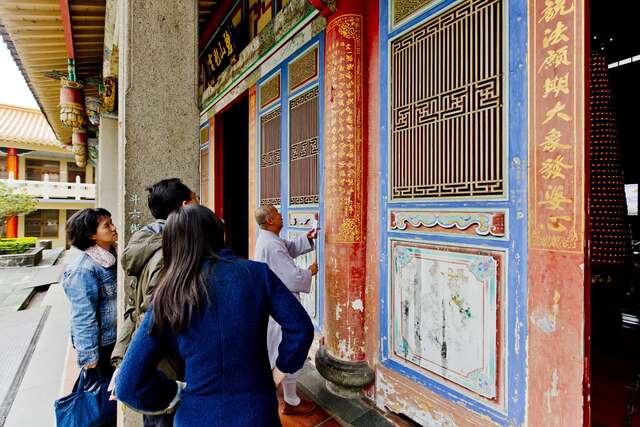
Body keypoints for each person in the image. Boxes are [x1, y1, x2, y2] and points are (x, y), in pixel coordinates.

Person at [115, 205, 314, 426]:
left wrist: (174, 391)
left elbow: (128, 385)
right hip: (257, 411)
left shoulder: (168, 293)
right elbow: (301, 328)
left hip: (195, 415)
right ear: (220, 234)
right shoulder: (257, 274)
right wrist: (281, 369)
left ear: (172, 244)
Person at [110, 178, 197, 427]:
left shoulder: (144, 242)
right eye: (196, 200)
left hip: (154, 363)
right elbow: (151, 316)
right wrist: (130, 365)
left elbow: (132, 306)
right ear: (184, 207)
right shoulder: (169, 254)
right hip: (167, 366)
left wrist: (124, 357)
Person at [253, 204, 318, 415]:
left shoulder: (269, 238)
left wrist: (307, 239)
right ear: (271, 220)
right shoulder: (270, 244)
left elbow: (287, 248)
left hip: (272, 305)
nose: (282, 215)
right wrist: (309, 272)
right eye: (278, 213)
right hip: (280, 307)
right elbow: (290, 277)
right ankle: (291, 401)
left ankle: (286, 396)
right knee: (288, 348)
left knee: (278, 349)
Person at [62, 208, 118, 381]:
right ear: (92, 235)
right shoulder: (83, 269)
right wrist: (89, 357)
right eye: (106, 225)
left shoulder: (112, 255)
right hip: (104, 345)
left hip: (117, 337)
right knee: (102, 396)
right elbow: (83, 315)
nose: (114, 228)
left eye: (111, 222)